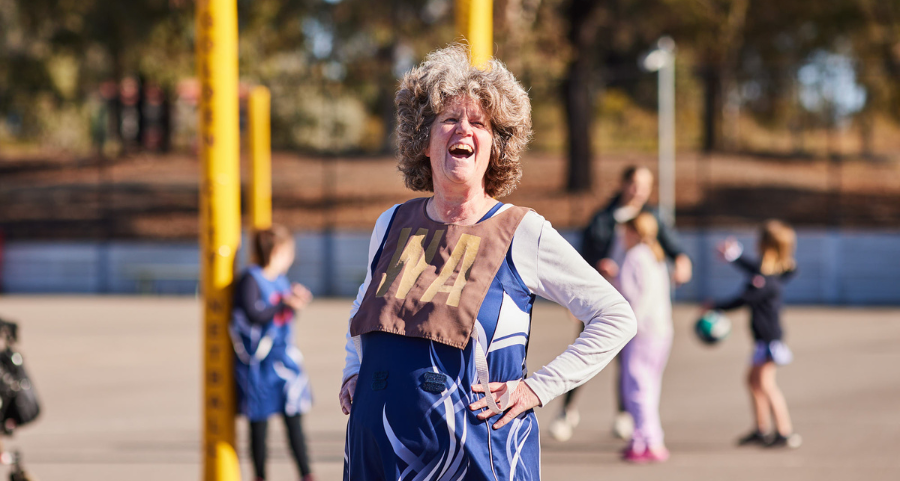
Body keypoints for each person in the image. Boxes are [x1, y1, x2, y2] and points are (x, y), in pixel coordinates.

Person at [338, 44, 637, 480]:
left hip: (477, 458)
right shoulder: (391, 223)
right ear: (424, 139)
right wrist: (353, 370)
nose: (464, 129)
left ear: (495, 146)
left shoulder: (522, 231)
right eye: (449, 119)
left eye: (479, 123)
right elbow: (365, 305)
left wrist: (536, 388)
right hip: (375, 456)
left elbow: (615, 316)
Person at [549, 166, 692, 442]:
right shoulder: (603, 218)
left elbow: (674, 248)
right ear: (624, 184)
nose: (640, 190)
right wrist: (577, 292)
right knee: (586, 353)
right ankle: (567, 412)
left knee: (628, 363)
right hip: (598, 300)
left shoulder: (652, 218)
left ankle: (624, 415)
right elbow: (580, 260)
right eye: (635, 183)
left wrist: (683, 261)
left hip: (631, 303)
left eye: (646, 185)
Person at [231, 225, 316, 481]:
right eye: (289, 252)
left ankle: (306, 473)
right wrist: (283, 302)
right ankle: (260, 475)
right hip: (258, 365)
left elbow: (282, 319)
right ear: (277, 251)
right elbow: (254, 315)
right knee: (259, 425)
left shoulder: (280, 280)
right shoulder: (251, 279)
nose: (292, 258)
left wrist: (294, 302)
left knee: (294, 419)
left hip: (284, 361)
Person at [711, 220, 801, 449]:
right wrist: (735, 257)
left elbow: (744, 298)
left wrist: (716, 306)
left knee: (766, 384)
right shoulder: (770, 273)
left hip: (770, 340)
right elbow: (754, 269)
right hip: (763, 339)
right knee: (752, 381)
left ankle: (785, 432)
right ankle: (761, 429)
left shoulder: (766, 280)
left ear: (764, 245)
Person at [618, 213, 673, 463]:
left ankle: (651, 441)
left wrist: (611, 279)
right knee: (650, 384)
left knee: (636, 385)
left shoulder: (634, 256)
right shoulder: (655, 255)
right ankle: (641, 438)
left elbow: (630, 295)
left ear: (633, 233)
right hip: (661, 330)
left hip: (641, 330)